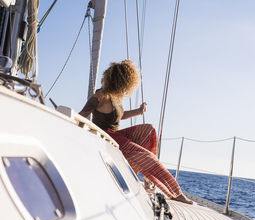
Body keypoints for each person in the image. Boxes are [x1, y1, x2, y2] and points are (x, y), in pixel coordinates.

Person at [79, 60, 192, 204]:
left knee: (149, 130)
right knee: (146, 156)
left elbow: (120, 115)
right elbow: (82, 114)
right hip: (106, 138)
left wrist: (139, 111)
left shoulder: (115, 97)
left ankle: (145, 180)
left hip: (116, 136)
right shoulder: (100, 96)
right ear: (122, 81)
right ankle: (175, 193)